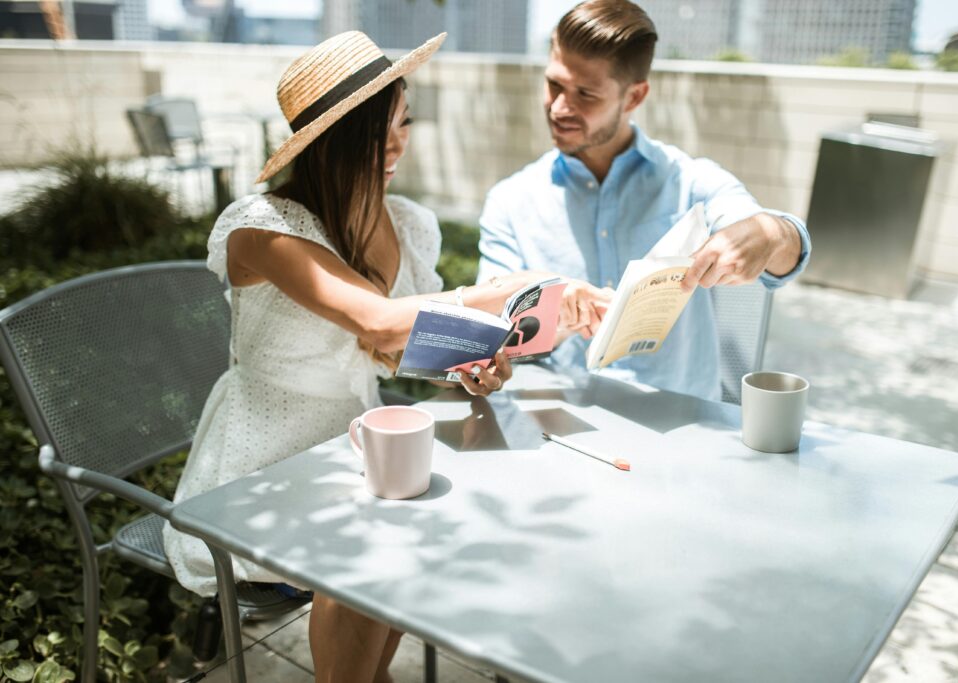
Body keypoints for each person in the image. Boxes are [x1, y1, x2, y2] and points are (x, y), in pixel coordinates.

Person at [162, 30, 609, 683]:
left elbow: (411, 349)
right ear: (335, 138)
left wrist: (477, 359)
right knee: (372, 550)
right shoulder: (262, 228)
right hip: (256, 465)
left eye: (405, 122)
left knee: (434, 519)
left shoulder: (406, 224)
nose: (398, 143)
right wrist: (498, 291)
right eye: (380, 129)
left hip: (355, 448)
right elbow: (375, 319)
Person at [477, 0, 812, 401]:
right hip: (566, 425)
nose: (560, 107)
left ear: (634, 97)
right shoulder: (511, 200)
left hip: (683, 428)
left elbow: (782, 252)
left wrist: (772, 233)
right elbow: (490, 331)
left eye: (586, 94)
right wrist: (545, 323)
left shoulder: (691, 182)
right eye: (554, 85)